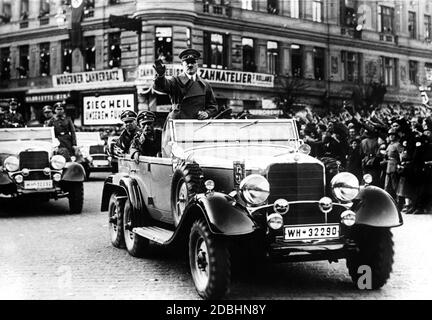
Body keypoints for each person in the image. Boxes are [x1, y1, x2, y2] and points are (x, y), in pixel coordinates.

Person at [153, 48, 219, 122]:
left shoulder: (205, 85)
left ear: (197, 64)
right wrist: (160, 76)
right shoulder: (175, 80)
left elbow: (213, 106)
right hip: (178, 123)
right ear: (182, 65)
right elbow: (163, 86)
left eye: (193, 62)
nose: (190, 65)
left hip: (196, 124)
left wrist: (207, 113)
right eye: (187, 62)